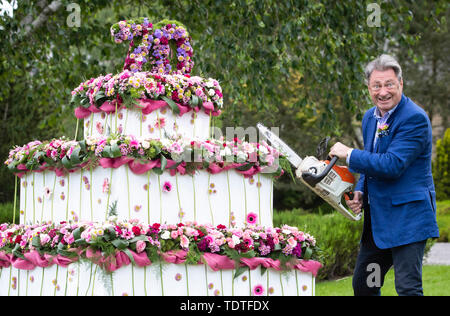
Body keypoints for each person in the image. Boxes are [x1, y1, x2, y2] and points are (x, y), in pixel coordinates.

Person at [328, 54, 439, 296]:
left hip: (409, 219)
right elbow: (372, 161)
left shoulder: (415, 118)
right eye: (376, 85)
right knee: (365, 285)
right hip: (378, 222)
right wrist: (360, 189)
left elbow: (392, 165)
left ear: (401, 83)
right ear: (368, 88)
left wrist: (349, 153)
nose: (383, 92)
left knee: (408, 288)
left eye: (389, 84)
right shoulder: (370, 117)